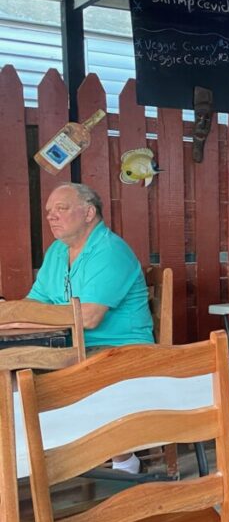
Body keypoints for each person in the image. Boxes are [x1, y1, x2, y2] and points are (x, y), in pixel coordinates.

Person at [25, 183, 153, 476]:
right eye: (48, 212)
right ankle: (36, 459)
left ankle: (121, 462)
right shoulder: (58, 252)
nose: (52, 217)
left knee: (26, 375)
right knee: (13, 367)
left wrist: (36, 319)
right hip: (69, 345)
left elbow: (90, 317)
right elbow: (34, 303)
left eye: (62, 208)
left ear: (89, 212)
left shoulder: (109, 249)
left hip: (119, 348)